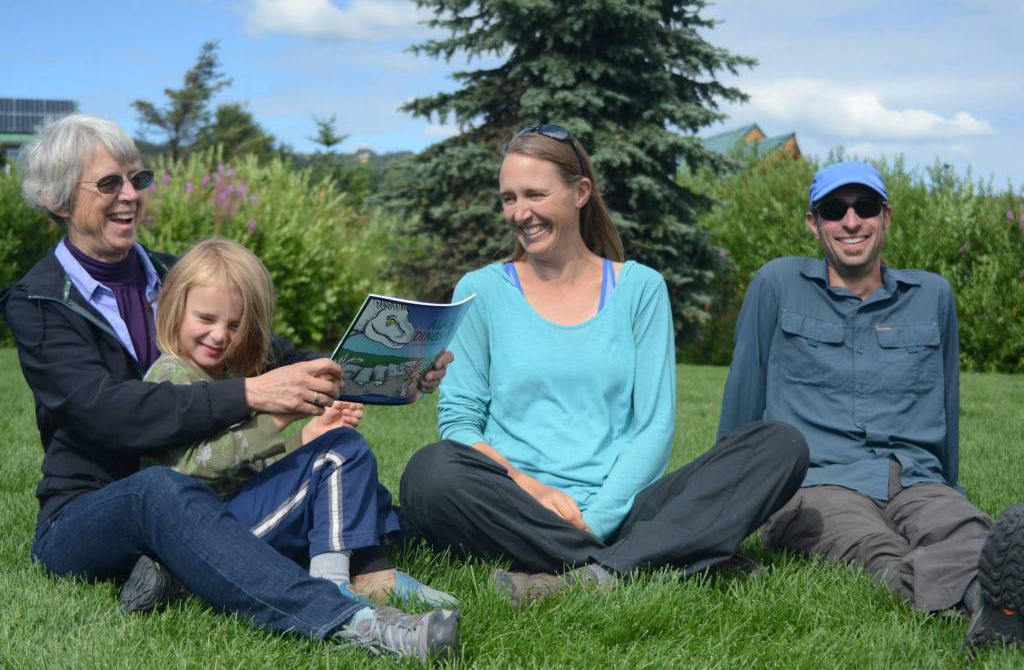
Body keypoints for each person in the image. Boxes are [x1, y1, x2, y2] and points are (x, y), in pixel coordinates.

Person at [0, 114, 458, 662]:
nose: (130, 196)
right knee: (161, 493)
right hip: (93, 511)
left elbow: (278, 354)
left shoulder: (184, 277)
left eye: (137, 180)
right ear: (57, 200)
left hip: (209, 494)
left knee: (340, 462)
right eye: (108, 183)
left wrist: (389, 372)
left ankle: (198, 569)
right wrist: (252, 396)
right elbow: (105, 412)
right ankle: (349, 619)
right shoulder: (38, 302)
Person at [399, 124, 809, 606]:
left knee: (779, 444)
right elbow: (460, 423)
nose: (520, 212)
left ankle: (588, 568)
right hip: (510, 503)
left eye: (535, 194)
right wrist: (530, 488)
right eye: (508, 198)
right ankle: (648, 560)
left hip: (625, 508)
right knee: (429, 472)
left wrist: (594, 520)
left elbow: (652, 427)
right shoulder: (482, 288)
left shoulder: (640, 288)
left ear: (581, 193)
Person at [716, 160, 1024, 653]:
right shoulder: (778, 284)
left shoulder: (933, 295)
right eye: (835, 209)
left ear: (886, 217)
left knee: (966, 529)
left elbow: (946, 406)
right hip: (815, 485)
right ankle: (975, 601)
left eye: (865, 207)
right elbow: (743, 400)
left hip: (912, 476)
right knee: (873, 548)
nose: (851, 221)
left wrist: (948, 490)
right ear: (813, 223)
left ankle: (993, 608)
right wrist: (726, 513)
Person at [137, 236, 456, 608]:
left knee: (348, 461)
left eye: (235, 324)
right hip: (209, 538)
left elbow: (249, 473)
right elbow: (194, 468)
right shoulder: (169, 374)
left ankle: (376, 573)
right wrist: (280, 414)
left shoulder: (227, 373)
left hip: (242, 517)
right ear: (175, 309)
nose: (220, 334)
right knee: (342, 453)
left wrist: (305, 438)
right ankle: (331, 585)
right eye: (206, 319)